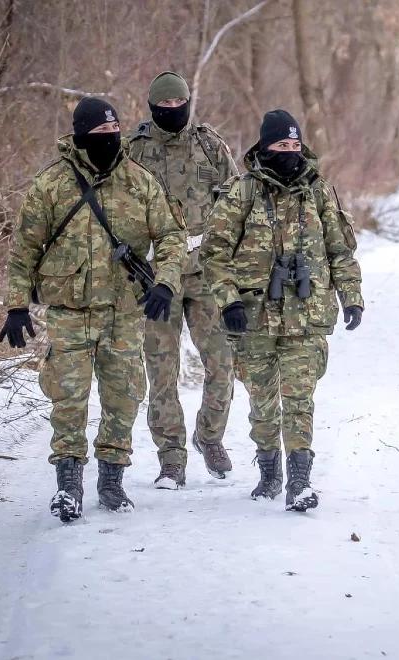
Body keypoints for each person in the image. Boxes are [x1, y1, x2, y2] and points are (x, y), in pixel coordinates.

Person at [0, 96, 186, 522]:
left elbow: (172, 236)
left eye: (114, 131)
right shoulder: (51, 185)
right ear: (81, 136)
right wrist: (16, 304)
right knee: (68, 398)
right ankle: (68, 484)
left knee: (123, 397)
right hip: (69, 310)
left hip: (124, 311)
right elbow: (24, 249)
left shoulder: (140, 182)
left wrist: (166, 281)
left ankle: (112, 480)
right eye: (99, 134)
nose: (109, 138)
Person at [200, 109, 363, 512]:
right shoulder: (242, 192)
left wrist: (352, 296)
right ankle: (270, 471)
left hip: (307, 316)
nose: (289, 152)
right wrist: (229, 300)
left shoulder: (319, 191)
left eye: (294, 144)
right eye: (281, 145)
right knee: (263, 402)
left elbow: (341, 250)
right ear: (265, 146)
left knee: (299, 397)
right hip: (253, 318)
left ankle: (300, 482)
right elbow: (214, 253)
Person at [126, 71, 240, 489]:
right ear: (152, 108)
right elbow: (119, 211)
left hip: (208, 272)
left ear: (189, 103)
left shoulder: (210, 145)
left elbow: (235, 202)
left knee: (222, 362)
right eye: (165, 108)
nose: (173, 113)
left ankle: (209, 437)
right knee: (161, 369)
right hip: (158, 278)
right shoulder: (134, 151)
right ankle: (171, 458)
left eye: (180, 106)